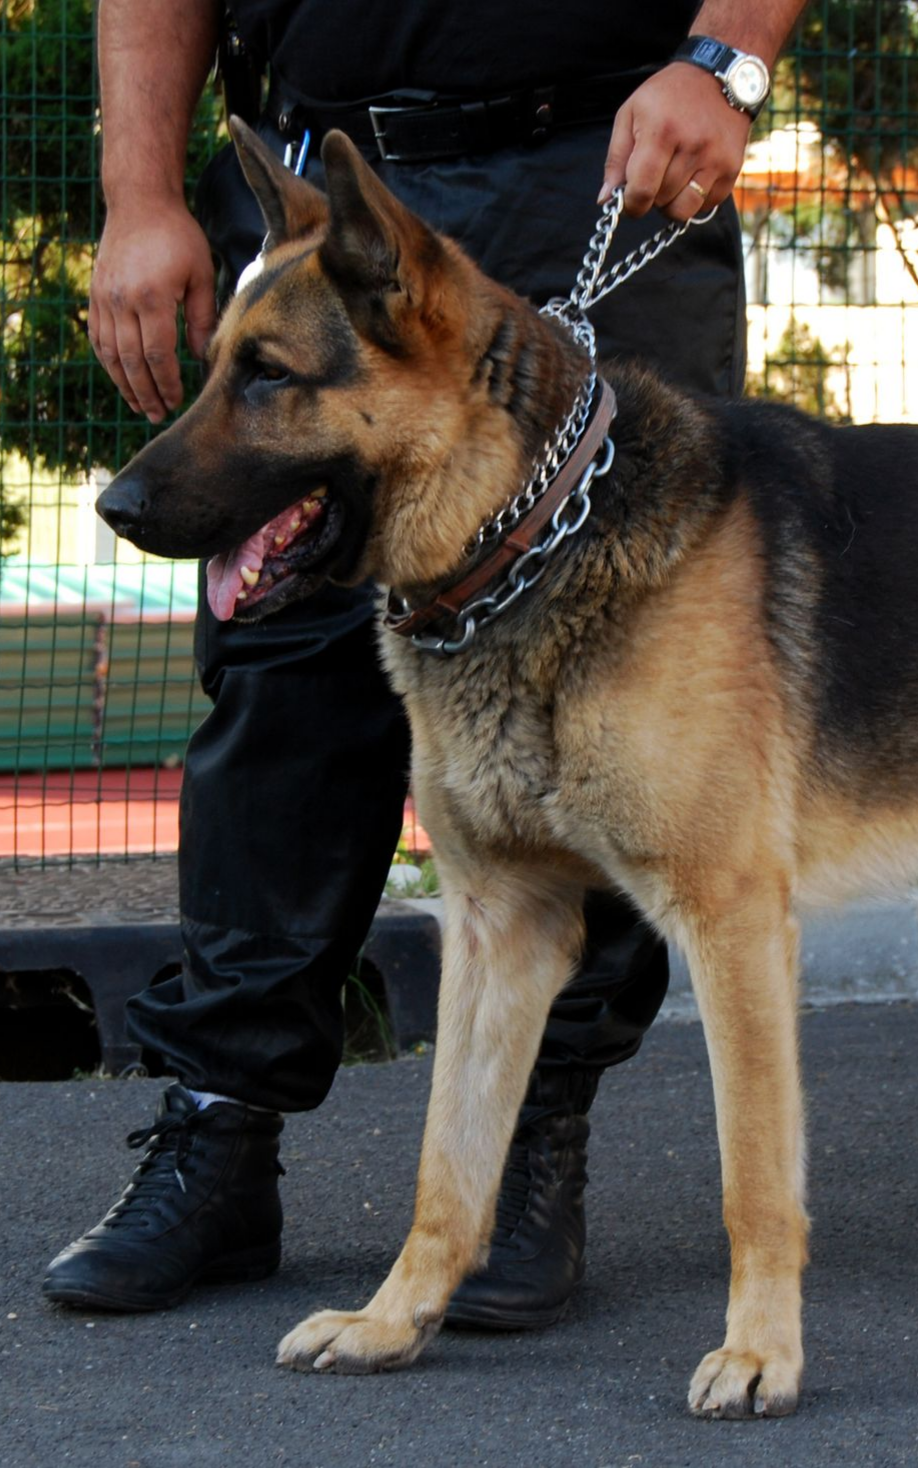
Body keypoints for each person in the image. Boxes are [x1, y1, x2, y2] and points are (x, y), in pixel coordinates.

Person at [44, 0, 808, 1327]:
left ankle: (529, 1151)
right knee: (280, 679)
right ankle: (219, 1136)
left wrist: (725, 58)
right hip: (309, 188)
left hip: (603, 155)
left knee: (625, 702)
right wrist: (139, 192)